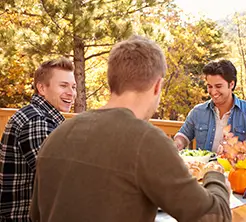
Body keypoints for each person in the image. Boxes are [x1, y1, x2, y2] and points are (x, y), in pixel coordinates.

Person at [29, 36, 232, 222]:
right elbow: (214, 218)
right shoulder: (147, 140)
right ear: (157, 86)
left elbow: (36, 215)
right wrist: (215, 174)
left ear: (112, 82)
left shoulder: (57, 135)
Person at [0, 57, 77, 221]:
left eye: (73, 86)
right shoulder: (37, 121)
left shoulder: (38, 115)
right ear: (42, 88)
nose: (71, 93)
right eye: (63, 85)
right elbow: (60, 177)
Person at [174, 60, 246, 151]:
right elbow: (183, 135)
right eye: (210, 86)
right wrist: (177, 143)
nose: (213, 92)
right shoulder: (198, 112)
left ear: (231, 84)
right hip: (205, 165)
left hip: (239, 165)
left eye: (218, 86)